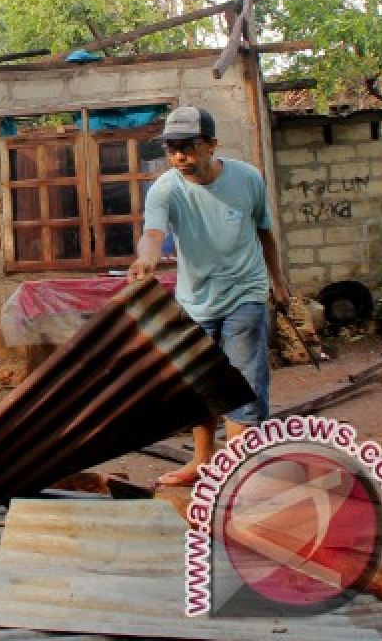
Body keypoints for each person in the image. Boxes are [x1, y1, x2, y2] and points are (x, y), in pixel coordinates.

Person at [127, 106, 291, 487]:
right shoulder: (166, 188)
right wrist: (146, 260)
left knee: (242, 381)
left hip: (245, 292)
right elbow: (153, 233)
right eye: (172, 148)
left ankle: (235, 472)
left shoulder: (248, 179)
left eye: (188, 146)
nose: (180, 156)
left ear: (212, 145)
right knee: (199, 383)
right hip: (196, 300)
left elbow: (265, 233)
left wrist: (278, 282)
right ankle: (203, 461)